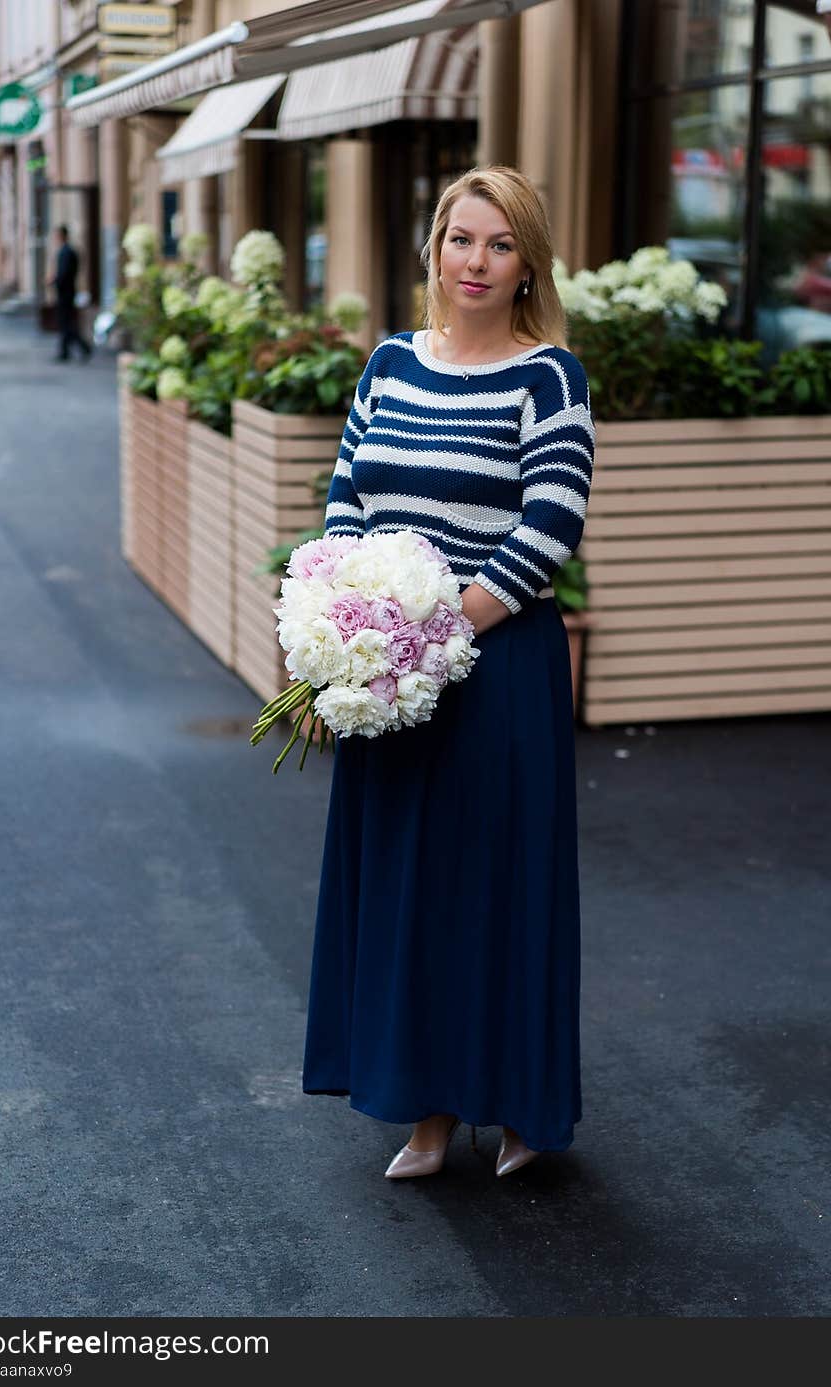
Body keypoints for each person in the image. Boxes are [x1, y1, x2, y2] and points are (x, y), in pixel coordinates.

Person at [301, 165, 595, 1180]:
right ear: (434, 247)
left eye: (499, 244)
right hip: (391, 676)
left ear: (527, 265)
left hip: (495, 668)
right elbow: (345, 498)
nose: (475, 261)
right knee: (405, 893)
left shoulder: (546, 376)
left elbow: (548, 525)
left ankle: (516, 1106)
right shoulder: (388, 364)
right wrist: (347, 621)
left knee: (495, 893)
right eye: (460, 239)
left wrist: (434, 634)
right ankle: (422, 1111)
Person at [47, 225, 91, 362]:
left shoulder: (66, 252)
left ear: (62, 236)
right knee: (65, 322)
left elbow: (64, 274)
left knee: (65, 322)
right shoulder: (68, 251)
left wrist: (53, 281)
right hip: (68, 291)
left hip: (65, 292)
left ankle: (80, 348)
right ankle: (66, 351)